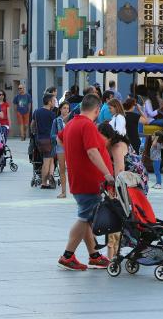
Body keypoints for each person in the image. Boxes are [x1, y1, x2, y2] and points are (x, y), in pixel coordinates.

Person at [56, 93, 112, 270]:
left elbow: (59, 139)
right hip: (89, 180)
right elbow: (92, 152)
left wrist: (73, 154)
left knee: (87, 218)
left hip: (78, 178)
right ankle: (67, 255)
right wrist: (107, 174)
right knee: (84, 218)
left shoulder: (71, 123)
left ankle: (94, 255)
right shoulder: (87, 125)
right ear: (97, 110)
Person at [31, 93, 56, 188]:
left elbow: (32, 125)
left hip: (39, 139)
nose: (54, 102)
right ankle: (44, 183)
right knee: (47, 161)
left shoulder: (36, 112)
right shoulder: (52, 114)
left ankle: (51, 175)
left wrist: (34, 133)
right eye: (53, 101)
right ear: (49, 102)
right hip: (49, 140)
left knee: (50, 160)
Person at [51, 101, 71, 199]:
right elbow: (52, 135)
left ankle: (76, 191)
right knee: (62, 169)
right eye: (64, 108)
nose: (66, 110)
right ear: (60, 109)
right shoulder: (57, 121)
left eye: (67, 108)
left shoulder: (72, 120)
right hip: (61, 147)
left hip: (71, 147)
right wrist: (58, 138)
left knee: (72, 170)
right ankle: (63, 192)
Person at [107, 98, 129, 175]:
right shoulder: (115, 117)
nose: (109, 110)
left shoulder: (119, 117)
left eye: (110, 108)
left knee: (118, 171)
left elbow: (119, 132)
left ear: (116, 107)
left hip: (117, 145)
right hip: (115, 145)